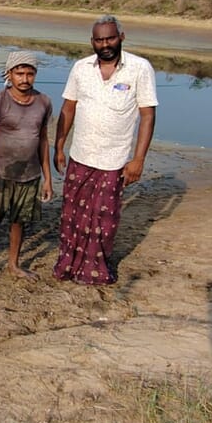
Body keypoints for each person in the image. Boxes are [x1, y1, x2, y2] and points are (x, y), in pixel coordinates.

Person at [53, 15, 158, 285]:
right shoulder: (80, 68)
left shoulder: (139, 68)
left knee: (104, 219)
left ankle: (94, 268)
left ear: (121, 36)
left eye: (110, 38)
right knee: (72, 215)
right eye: (99, 40)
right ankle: (68, 264)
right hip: (80, 156)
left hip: (113, 161)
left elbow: (147, 115)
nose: (105, 44)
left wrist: (138, 159)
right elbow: (68, 108)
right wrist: (59, 146)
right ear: (92, 42)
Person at [0, 51, 53, 286]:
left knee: (19, 222)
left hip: (28, 174)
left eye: (30, 73)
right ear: (9, 74)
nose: (25, 79)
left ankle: (13, 264)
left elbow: (42, 140)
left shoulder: (44, 102)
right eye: (19, 73)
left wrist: (48, 178)